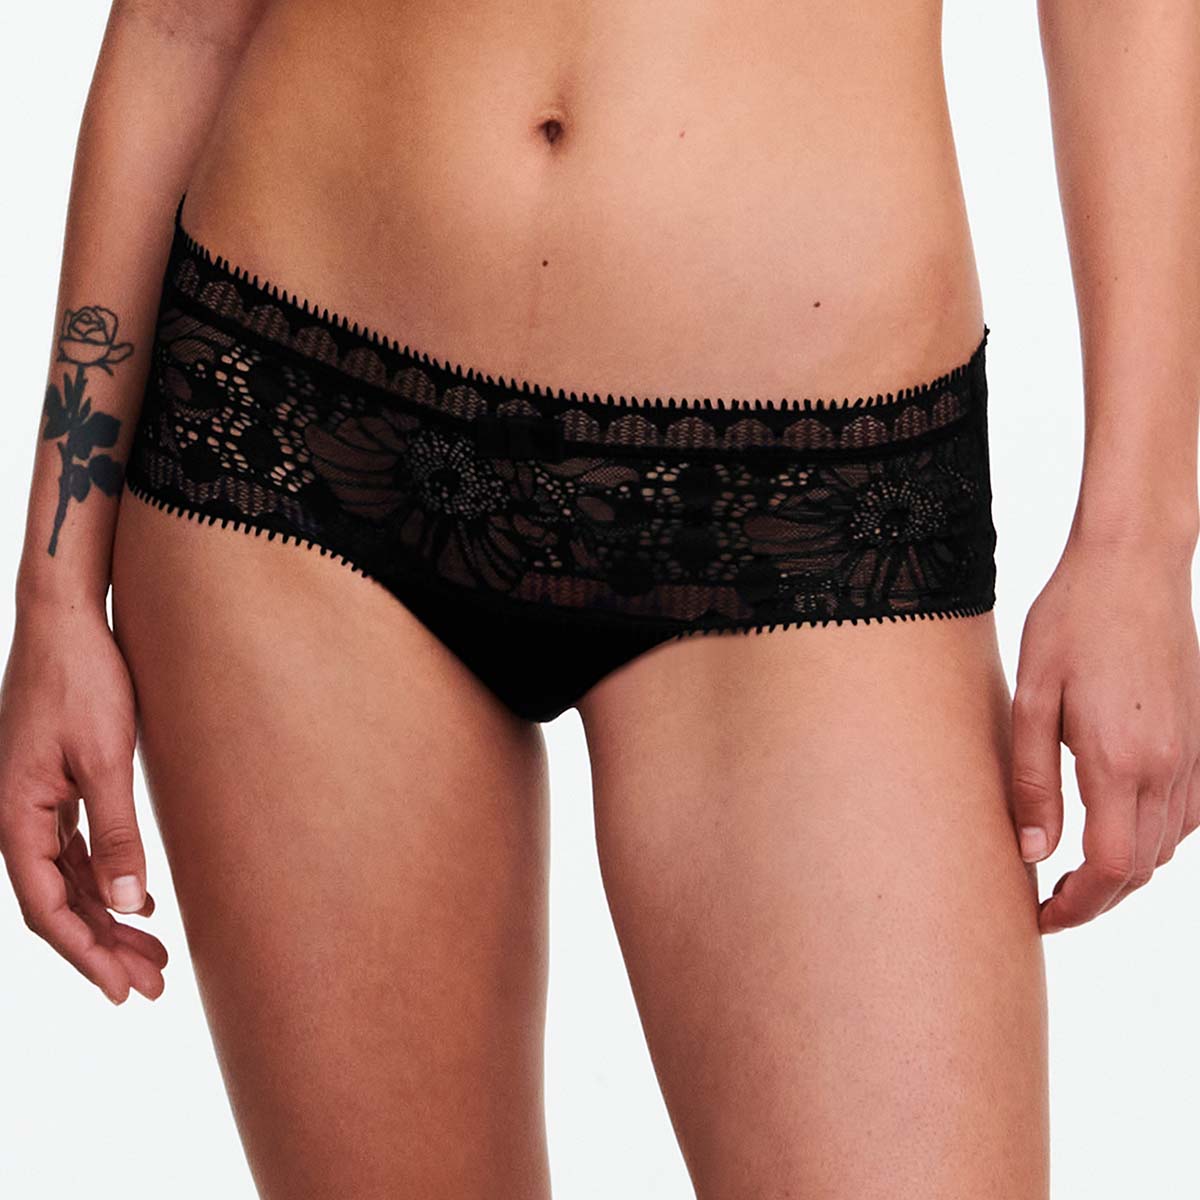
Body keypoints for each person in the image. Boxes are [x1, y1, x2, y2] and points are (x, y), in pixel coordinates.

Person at [1, 1, 1197, 1196]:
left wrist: (1139, 545)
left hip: (811, 499)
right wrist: (55, 585)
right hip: (295, 432)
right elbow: (180, 25)